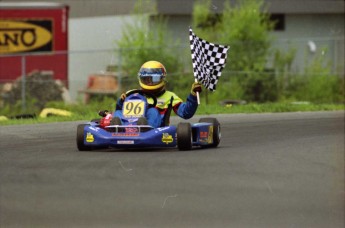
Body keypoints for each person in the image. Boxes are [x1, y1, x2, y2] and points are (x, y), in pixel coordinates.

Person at [100, 60, 202, 128]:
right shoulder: (132, 94)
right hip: (128, 124)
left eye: (154, 79)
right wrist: (121, 101)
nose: (150, 82)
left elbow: (186, 113)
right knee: (117, 113)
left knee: (152, 111)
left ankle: (144, 127)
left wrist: (193, 95)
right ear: (141, 78)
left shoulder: (170, 96)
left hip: (156, 130)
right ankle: (116, 127)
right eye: (146, 79)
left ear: (162, 78)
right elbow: (119, 108)